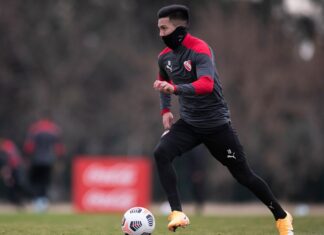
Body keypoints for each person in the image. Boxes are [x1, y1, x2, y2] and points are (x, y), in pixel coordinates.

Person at [153, 4, 293, 234]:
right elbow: (162, 80)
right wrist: (165, 111)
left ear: (179, 29)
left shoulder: (200, 50)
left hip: (217, 125)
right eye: (158, 29)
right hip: (189, 124)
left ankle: (281, 216)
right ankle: (177, 212)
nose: (160, 34)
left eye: (163, 28)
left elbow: (206, 85)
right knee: (161, 153)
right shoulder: (164, 58)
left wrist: (175, 89)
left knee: (244, 176)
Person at [23, 118, 65, 212]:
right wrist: (60, 159)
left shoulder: (35, 129)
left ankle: (37, 202)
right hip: (48, 160)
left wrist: (27, 158)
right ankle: (43, 202)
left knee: (36, 181)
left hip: (36, 160)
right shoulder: (54, 129)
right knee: (45, 182)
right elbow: (59, 147)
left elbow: (29, 146)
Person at [0, 138, 31, 207]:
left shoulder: (6, 146)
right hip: (14, 167)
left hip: (15, 167)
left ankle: (20, 200)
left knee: (17, 184)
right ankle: (17, 201)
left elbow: (6, 159)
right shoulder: (8, 145)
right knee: (15, 185)